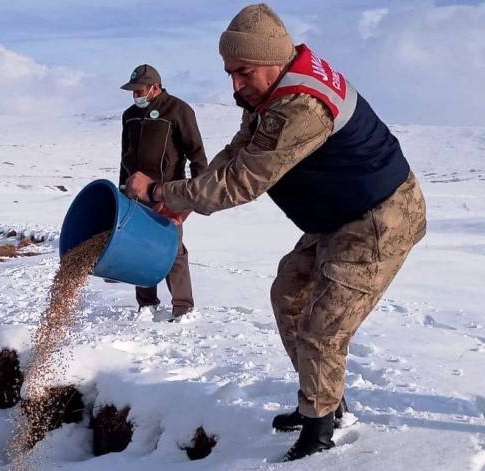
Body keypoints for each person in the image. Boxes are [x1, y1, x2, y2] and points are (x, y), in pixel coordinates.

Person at [125, 3, 426, 461]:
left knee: (324, 327)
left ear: (271, 59)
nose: (235, 84)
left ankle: (320, 431)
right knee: (289, 291)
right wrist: (178, 199)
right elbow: (236, 151)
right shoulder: (272, 91)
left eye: (242, 72)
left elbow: (241, 181)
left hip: (379, 218)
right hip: (342, 213)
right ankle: (322, 399)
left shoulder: (299, 105)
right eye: (230, 73)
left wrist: (159, 192)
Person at [119, 64, 208, 321]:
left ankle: (183, 307)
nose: (136, 95)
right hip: (136, 195)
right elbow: (125, 157)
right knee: (139, 248)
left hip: (168, 194)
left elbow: (197, 156)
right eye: (133, 91)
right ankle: (146, 304)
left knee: (172, 248)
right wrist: (122, 189)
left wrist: (193, 196)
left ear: (155, 87)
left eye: (140, 90)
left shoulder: (178, 110)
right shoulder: (129, 116)